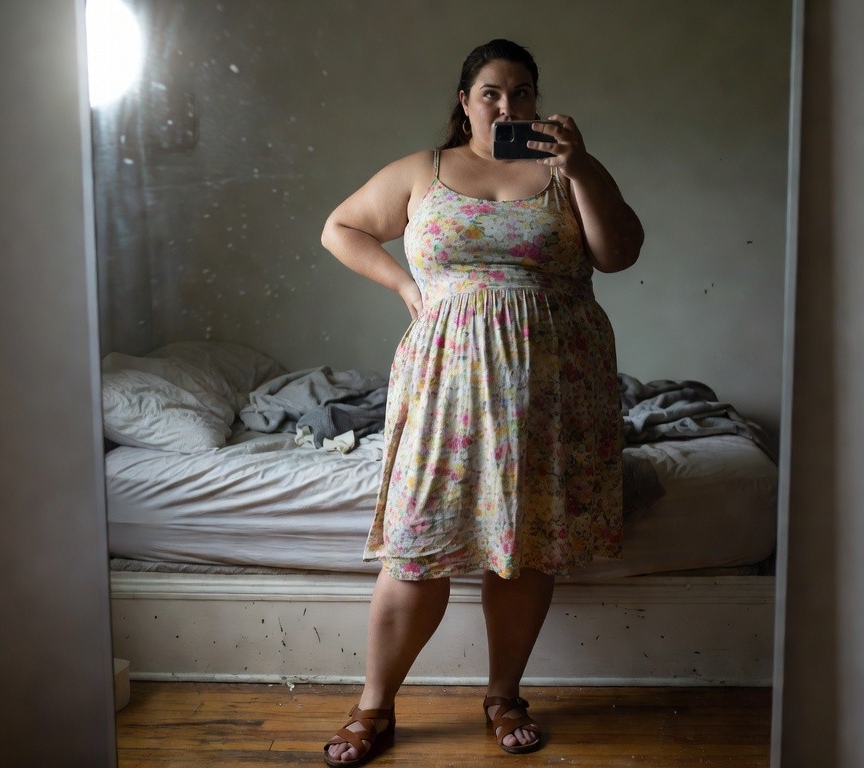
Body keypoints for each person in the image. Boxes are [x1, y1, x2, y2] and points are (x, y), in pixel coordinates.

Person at [318, 38, 643, 766]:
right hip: (446, 384)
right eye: (492, 92)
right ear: (463, 100)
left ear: (538, 100)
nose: (508, 105)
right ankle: (373, 706)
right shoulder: (421, 172)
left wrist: (580, 165)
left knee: (523, 547)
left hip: (553, 383)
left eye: (522, 92)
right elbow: (339, 228)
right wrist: (407, 287)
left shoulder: (566, 172)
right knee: (416, 544)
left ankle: (504, 694)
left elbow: (618, 253)